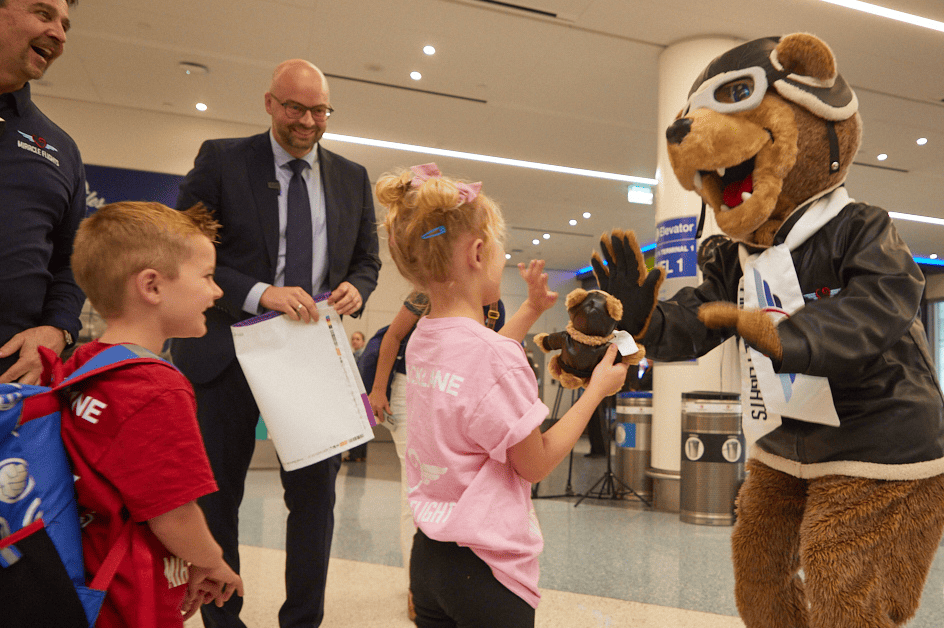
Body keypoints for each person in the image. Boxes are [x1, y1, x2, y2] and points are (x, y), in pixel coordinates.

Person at [173, 58, 381, 628]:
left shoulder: (351, 176)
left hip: (311, 357)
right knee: (219, 496)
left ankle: (303, 620)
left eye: (319, 110)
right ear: (269, 103)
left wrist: (355, 289)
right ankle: (223, 619)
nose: (308, 121)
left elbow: (367, 261)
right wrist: (259, 292)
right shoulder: (222, 159)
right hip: (227, 350)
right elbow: (185, 244)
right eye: (295, 108)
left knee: (315, 501)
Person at [376, 162, 627, 626]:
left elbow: (477, 366)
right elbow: (534, 462)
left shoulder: (424, 339)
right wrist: (595, 392)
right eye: (499, 248)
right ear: (476, 252)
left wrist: (531, 309)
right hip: (487, 571)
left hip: (429, 559)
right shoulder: (492, 356)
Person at [60, 201, 244, 626]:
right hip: (129, 591)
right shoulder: (157, 389)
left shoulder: (83, 363)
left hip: (83, 570)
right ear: (152, 287)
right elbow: (173, 511)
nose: (217, 292)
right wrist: (212, 561)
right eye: (208, 276)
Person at [366, 291, 506, 620]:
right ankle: (417, 588)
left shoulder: (494, 306)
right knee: (414, 491)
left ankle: (452, 581)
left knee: (459, 490)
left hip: (458, 396)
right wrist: (377, 388)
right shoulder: (430, 288)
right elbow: (394, 335)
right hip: (412, 391)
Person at [0, 0, 86, 385]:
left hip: (11, 379)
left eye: (64, 24)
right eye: (43, 14)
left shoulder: (60, 148)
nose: (60, 34)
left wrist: (58, 330)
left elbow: (71, 262)